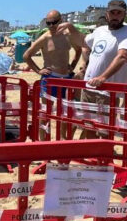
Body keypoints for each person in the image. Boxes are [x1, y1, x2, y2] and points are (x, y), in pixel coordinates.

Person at [80, 0, 127, 139]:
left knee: (104, 131)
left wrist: (102, 77)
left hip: (106, 91)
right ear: (107, 14)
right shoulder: (100, 30)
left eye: (119, 13)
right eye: (112, 12)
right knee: (88, 127)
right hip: (88, 87)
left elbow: (122, 56)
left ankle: (102, 159)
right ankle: (92, 159)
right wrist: (84, 65)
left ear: (124, 15)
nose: (115, 16)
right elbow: (84, 44)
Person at [23, 9, 84, 139]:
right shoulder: (45, 38)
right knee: (45, 113)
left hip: (66, 78)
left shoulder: (67, 35)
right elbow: (26, 55)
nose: (51, 26)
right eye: (48, 23)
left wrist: (72, 65)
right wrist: (38, 70)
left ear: (60, 21)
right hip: (50, 79)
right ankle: (43, 142)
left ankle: (62, 139)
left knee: (65, 113)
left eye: (54, 22)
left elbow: (79, 49)